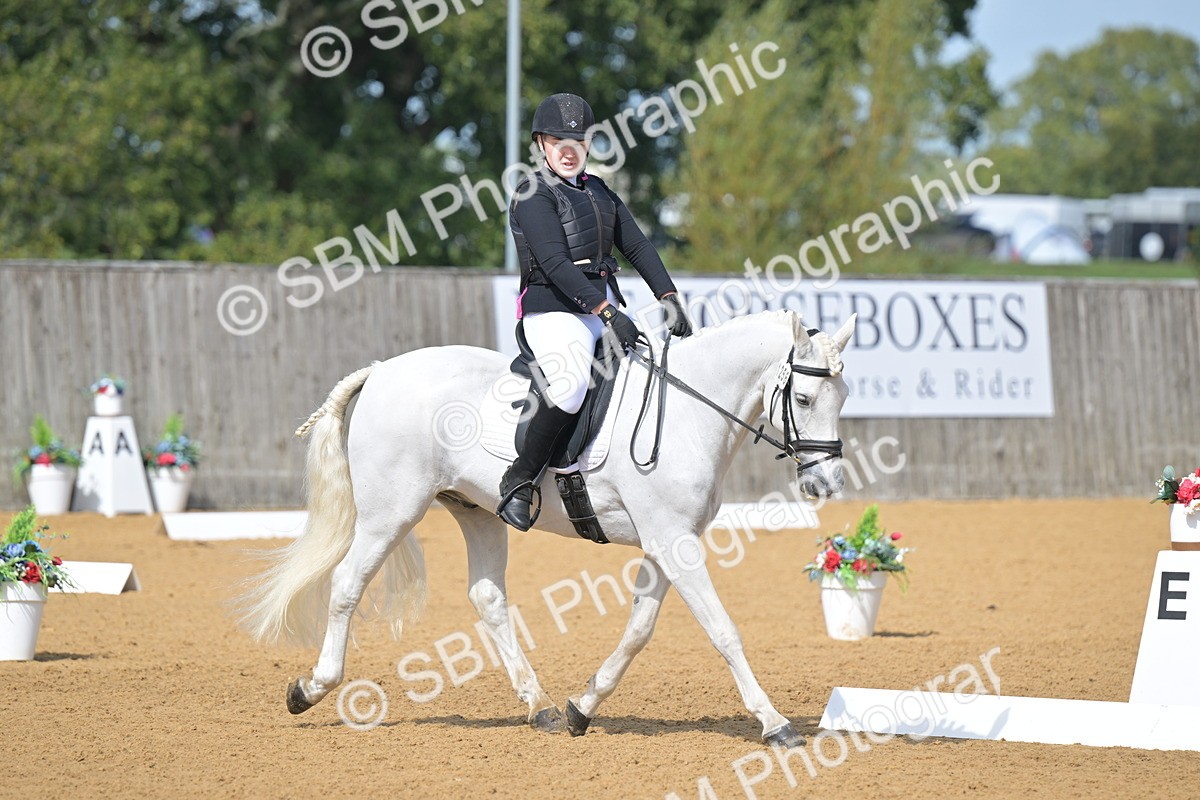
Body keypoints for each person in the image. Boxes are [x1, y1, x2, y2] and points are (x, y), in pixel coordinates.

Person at [497, 92, 692, 531]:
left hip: (596, 308)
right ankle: (520, 480)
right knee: (569, 386)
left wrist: (668, 296)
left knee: (649, 371)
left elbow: (637, 245)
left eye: (578, 140)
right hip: (551, 312)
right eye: (557, 140)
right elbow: (554, 263)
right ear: (541, 144)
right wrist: (605, 312)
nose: (569, 150)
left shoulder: (600, 191)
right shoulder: (532, 192)